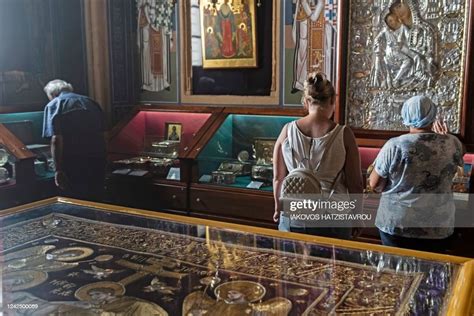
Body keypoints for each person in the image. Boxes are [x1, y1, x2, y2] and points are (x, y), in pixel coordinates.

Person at [273, 72, 363, 239]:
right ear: (332, 101)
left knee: (293, 264)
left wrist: (278, 208)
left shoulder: (287, 130)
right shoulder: (344, 134)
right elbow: (355, 184)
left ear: (307, 102)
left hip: (294, 214)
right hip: (333, 216)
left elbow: (279, 178)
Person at [369, 95, 464, 253]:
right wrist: (446, 136)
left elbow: (374, 183)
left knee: (396, 271)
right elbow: (460, 157)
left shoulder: (395, 145)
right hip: (437, 226)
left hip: (397, 224)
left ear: (405, 115)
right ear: (432, 115)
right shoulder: (452, 143)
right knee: (432, 273)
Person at [42, 79, 106, 201]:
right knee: (97, 199)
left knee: (74, 201)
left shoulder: (54, 104)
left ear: (52, 94)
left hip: (72, 163)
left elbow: (56, 139)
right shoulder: (91, 102)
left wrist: (58, 169)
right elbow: (104, 134)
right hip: (97, 159)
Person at [291, 0, 324, 93]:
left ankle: (307, 82)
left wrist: (305, 4)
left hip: (311, 26)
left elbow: (314, 17)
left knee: (308, 56)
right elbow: (299, 8)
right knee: (301, 55)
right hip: (302, 24)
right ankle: (299, 83)